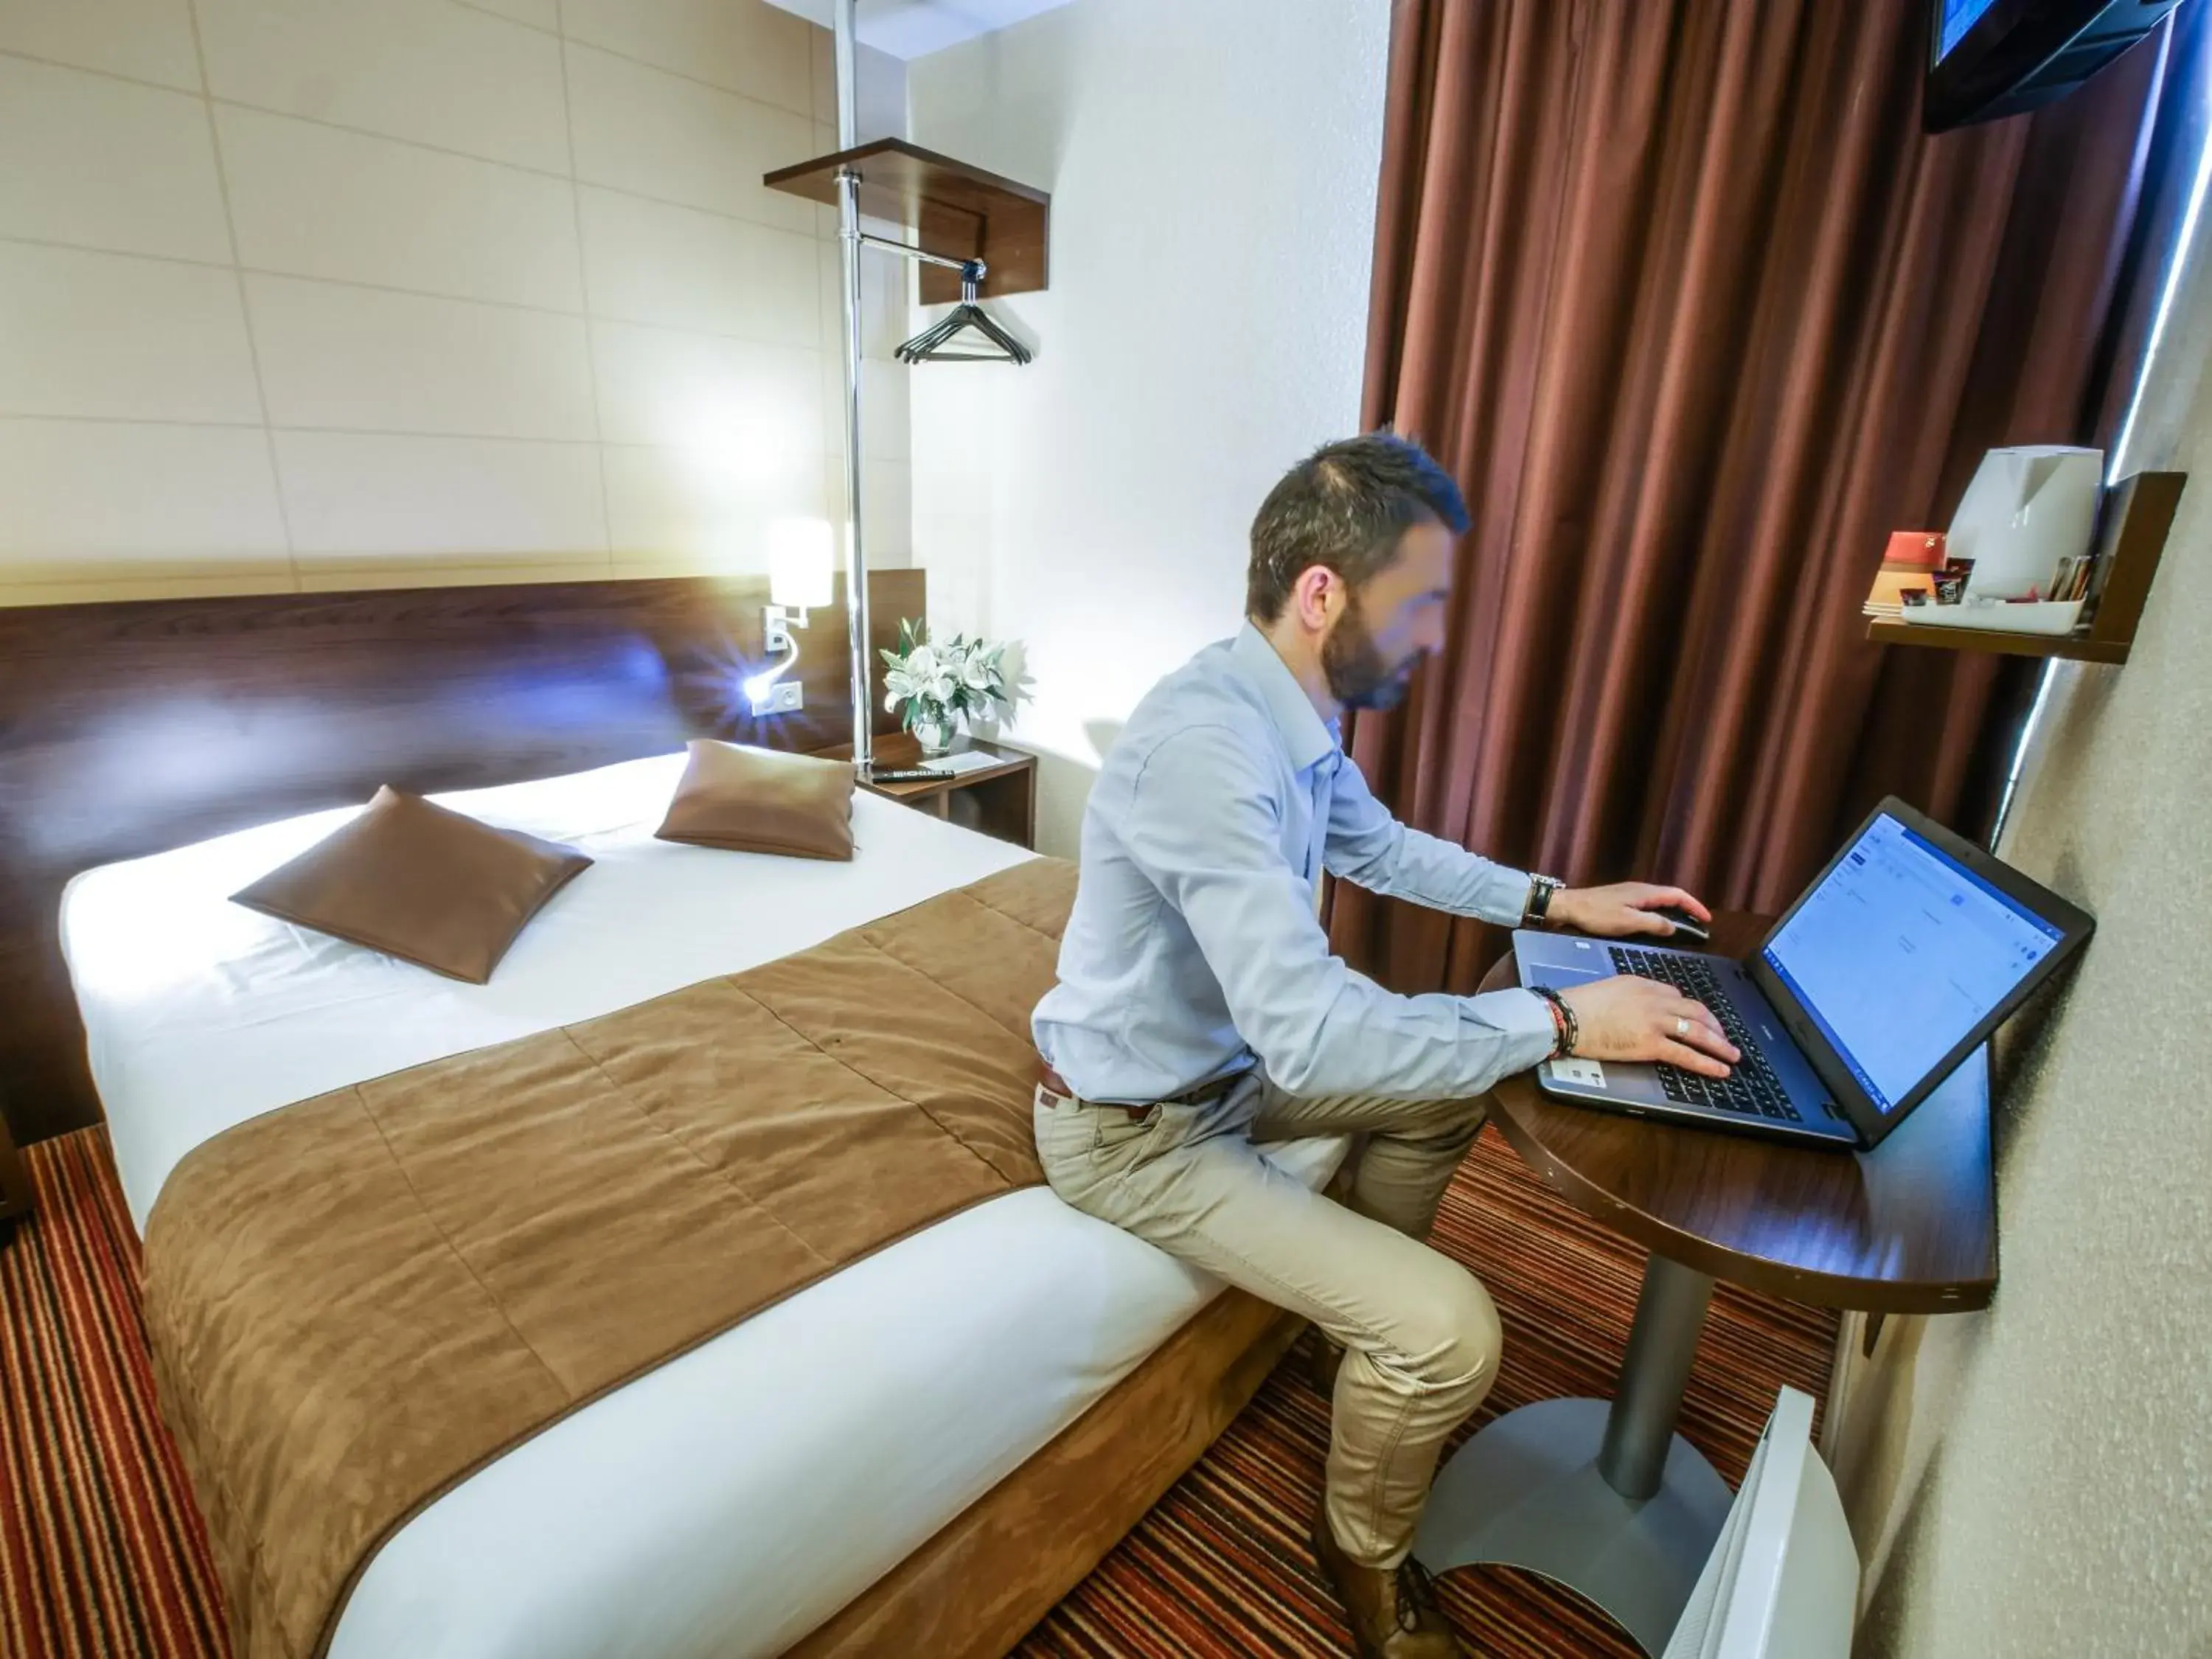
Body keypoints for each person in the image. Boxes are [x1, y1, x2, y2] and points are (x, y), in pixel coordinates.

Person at [1031, 433, 1739, 1659]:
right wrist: (1567, 1018)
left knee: (1444, 1096)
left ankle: (1348, 1325)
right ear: (1323, 593)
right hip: (1131, 1135)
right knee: (1454, 1329)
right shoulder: (1206, 748)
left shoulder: (1287, 711)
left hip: (1223, 1079)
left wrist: (1556, 901)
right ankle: (1362, 1544)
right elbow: (1310, 1037)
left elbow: (1387, 848)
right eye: (1420, 605)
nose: (1431, 637)